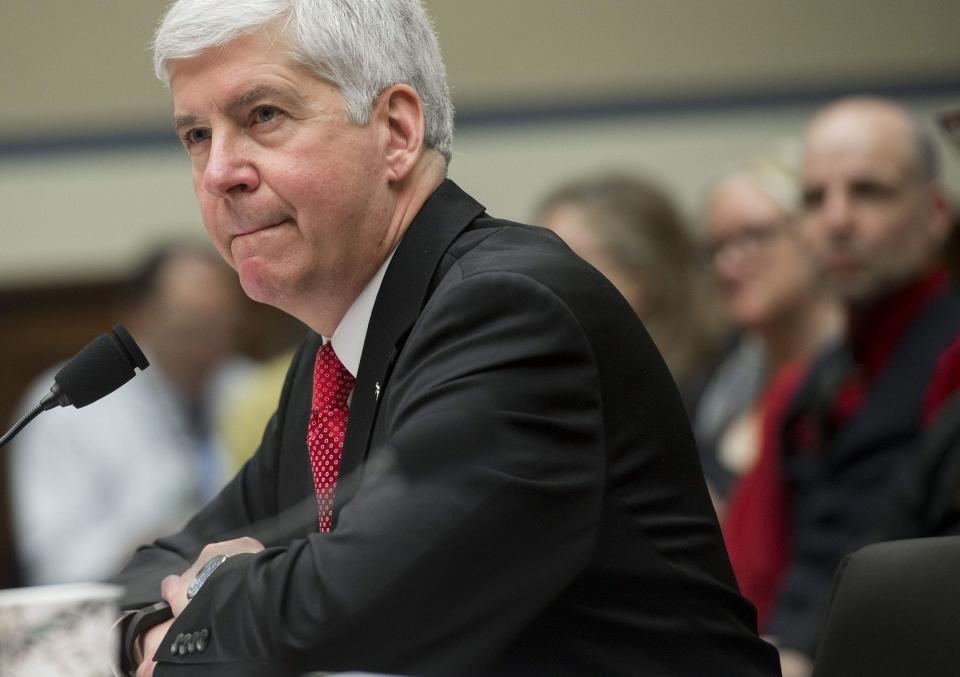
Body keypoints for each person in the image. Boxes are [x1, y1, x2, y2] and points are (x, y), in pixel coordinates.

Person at [113, 2, 782, 676]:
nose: (220, 171)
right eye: (197, 135)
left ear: (398, 132)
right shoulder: (333, 357)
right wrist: (152, 628)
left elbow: (363, 605)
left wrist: (196, 615)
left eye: (262, 116)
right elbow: (157, 566)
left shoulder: (510, 310)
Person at [738, 97, 959, 676]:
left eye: (868, 192)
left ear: (935, 212)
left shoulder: (953, 358)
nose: (836, 221)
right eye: (814, 199)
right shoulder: (811, 382)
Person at [9, 242, 252, 585]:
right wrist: (156, 543)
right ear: (139, 318)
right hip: (115, 603)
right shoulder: (68, 403)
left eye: (221, 329)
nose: (205, 348)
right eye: (189, 330)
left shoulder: (246, 386)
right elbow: (56, 562)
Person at [695, 146, 843, 517]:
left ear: (811, 232)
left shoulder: (859, 371)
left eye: (754, 236)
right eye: (717, 246)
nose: (729, 264)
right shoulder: (716, 380)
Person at [536, 174, 727, 406]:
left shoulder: (718, 381)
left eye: (568, 263)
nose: (541, 283)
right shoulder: (560, 368)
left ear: (645, 272)